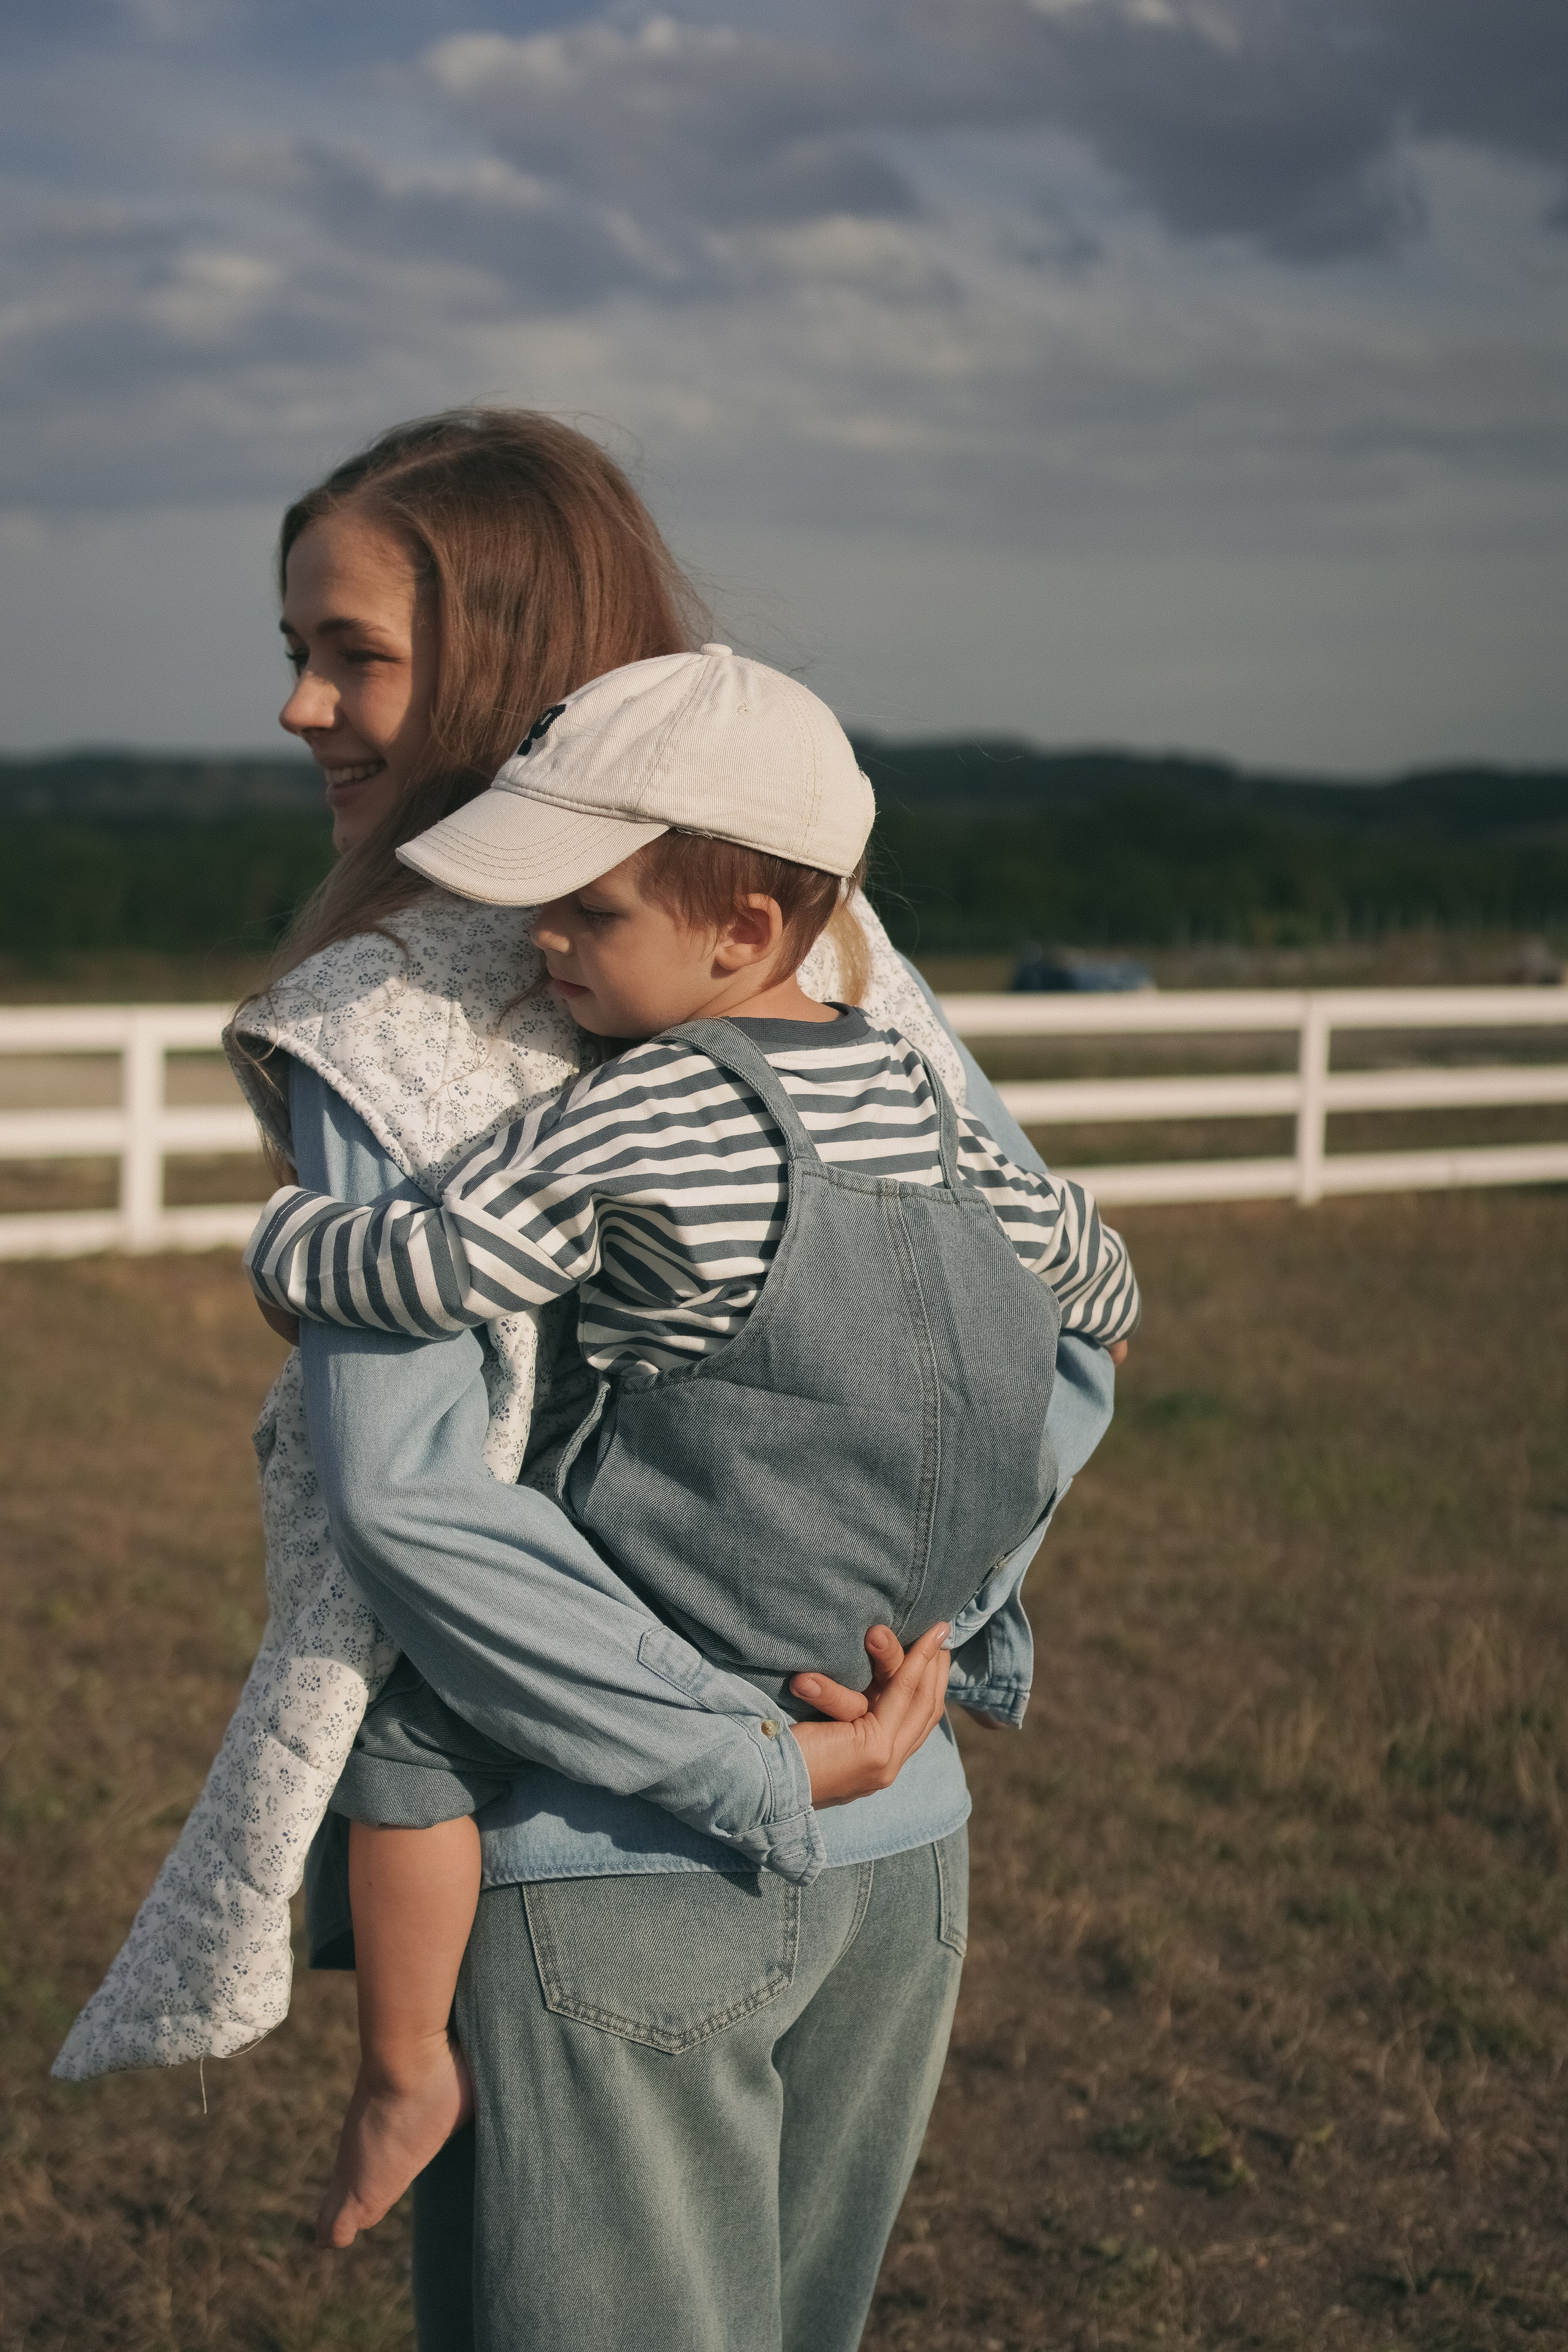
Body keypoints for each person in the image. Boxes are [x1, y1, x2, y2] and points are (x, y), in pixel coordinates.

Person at [55, 409, 1123, 2352]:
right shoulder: (836, 947)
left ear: (500, 648)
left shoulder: (392, 1011)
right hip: (908, 1826)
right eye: (291, 650)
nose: (300, 706)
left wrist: (740, 1757)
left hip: (614, 1854)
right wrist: (933, 1633)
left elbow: (408, 1500)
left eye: (351, 651)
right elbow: (1050, 1327)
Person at [245, 646, 1142, 2248]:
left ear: (740, 930)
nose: (542, 943)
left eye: (588, 915)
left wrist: (298, 1254)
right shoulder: (919, 1095)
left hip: (702, 1625)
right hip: (884, 1642)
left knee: (408, 1742)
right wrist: (1100, 1310)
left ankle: (398, 2070)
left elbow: (445, 1263)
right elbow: (1083, 1277)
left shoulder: (646, 1110)